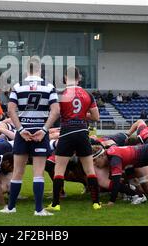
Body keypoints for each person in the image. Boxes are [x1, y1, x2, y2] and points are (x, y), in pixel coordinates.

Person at [0, 57, 60, 216]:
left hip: (23, 133)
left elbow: (10, 110)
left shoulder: (18, 86)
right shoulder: (49, 87)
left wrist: (20, 130)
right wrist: (45, 129)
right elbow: (56, 111)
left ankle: (11, 208)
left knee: (17, 172)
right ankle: (39, 210)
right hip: (40, 132)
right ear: (40, 69)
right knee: (38, 173)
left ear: (27, 70)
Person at [46, 66, 101, 212]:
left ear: (65, 78)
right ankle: (96, 202)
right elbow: (96, 117)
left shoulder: (61, 94)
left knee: (59, 169)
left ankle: (56, 204)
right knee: (89, 169)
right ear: (79, 78)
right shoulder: (88, 95)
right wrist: (83, 116)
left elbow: (56, 113)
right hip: (82, 131)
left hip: (66, 132)